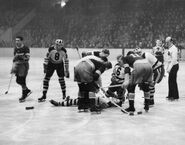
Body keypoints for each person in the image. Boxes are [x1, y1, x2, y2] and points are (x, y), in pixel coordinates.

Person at [11, 36, 31, 102]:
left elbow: (27, 58)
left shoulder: (26, 48)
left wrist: (19, 56)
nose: (17, 42)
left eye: (18, 40)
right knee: (18, 81)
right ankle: (27, 90)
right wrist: (14, 63)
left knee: (22, 80)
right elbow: (14, 58)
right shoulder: (15, 48)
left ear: (22, 41)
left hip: (24, 66)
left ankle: (24, 95)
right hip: (17, 65)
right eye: (16, 40)